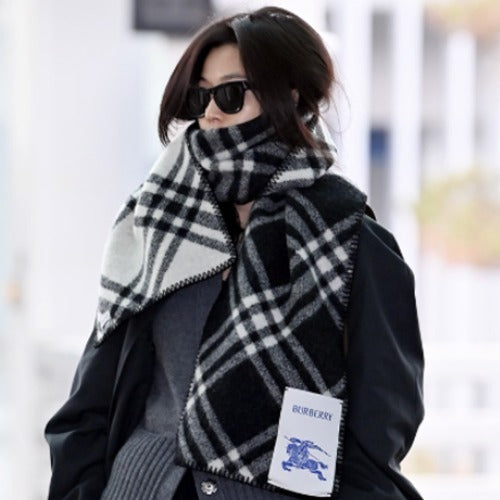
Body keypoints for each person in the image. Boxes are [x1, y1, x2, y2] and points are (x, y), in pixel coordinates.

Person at [45, 6, 424, 499]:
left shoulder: (352, 240)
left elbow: (382, 423)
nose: (210, 113)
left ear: (289, 95)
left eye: (230, 93)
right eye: (199, 96)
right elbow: (89, 402)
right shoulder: (157, 222)